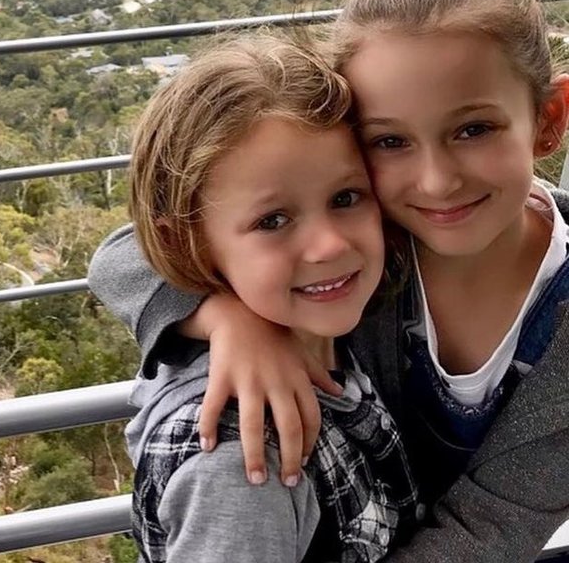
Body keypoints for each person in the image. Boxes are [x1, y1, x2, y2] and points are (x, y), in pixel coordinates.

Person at [89, 0, 569, 562]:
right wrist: (228, 318)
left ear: (548, 119)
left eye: (473, 129)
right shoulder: (371, 240)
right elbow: (125, 255)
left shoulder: (363, 234)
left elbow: (490, 529)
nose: (437, 181)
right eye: (390, 141)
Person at [124, 32, 420, 563]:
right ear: (185, 241)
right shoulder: (242, 465)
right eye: (273, 220)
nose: (329, 244)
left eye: (346, 198)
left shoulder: (330, 336)